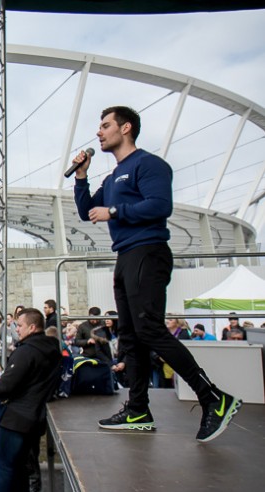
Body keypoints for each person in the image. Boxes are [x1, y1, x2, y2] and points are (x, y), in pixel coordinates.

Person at [73, 105, 241, 442]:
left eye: (105, 125)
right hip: (125, 255)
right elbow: (86, 211)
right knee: (131, 335)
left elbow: (160, 205)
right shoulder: (112, 177)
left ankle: (213, 397)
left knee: (149, 329)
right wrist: (81, 177)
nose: (99, 132)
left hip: (148, 252)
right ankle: (138, 409)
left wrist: (114, 211)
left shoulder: (148, 164)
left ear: (126, 128)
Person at [0, 308, 61, 492]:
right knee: (21, 469)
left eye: (20, 325)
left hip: (16, 420)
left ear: (32, 327)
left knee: (5, 468)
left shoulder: (26, 351)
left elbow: (7, 384)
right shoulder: (52, 349)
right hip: (35, 419)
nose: (16, 329)